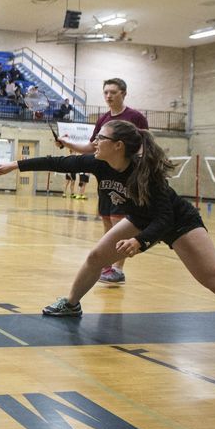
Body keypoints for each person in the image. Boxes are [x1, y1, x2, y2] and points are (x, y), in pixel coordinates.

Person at [0, 120, 215, 382]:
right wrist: (14, 165)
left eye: (101, 138)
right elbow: (58, 161)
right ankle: (71, 304)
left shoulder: (147, 173)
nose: (94, 142)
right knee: (95, 257)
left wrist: (140, 242)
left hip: (180, 224)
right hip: (140, 219)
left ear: (118, 146)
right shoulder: (101, 164)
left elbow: (164, 218)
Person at [57, 78, 149, 285]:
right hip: (106, 178)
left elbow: (146, 145)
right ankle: (109, 262)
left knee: (120, 221)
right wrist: (66, 141)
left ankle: (118, 268)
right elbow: (92, 147)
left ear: (123, 93)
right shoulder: (103, 119)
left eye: (113, 92)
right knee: (107, 220)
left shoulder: (135, 117)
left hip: (126, 177)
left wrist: (141, 169)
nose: (108, 96)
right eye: (106, 92)